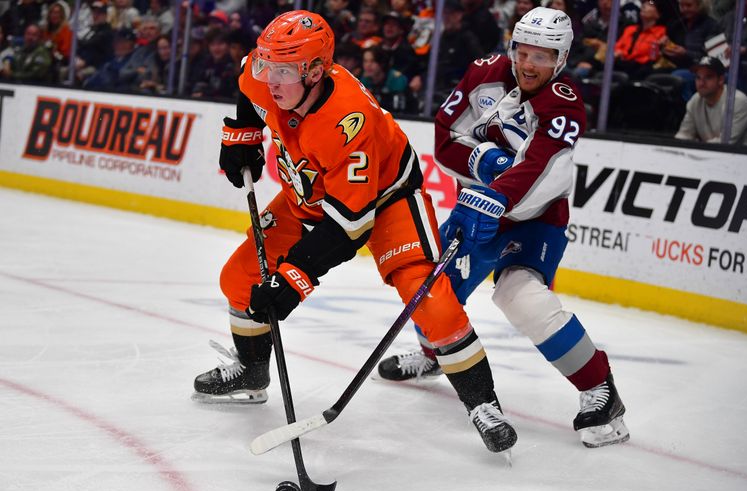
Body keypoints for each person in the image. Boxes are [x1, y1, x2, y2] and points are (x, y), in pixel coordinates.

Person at [191, 11, 517, 454]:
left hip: (384, 201)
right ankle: (252, 374)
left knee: (432, 302)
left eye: (283, 71)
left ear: (315, 70)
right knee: (237, 278)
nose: (271, 81)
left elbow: (349, 225)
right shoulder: (263, 73)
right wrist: (244, 135)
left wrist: (293, 279)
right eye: (268, 65)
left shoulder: (348, 120)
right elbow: (251, 91)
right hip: (306, 194)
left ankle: (483, 404)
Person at [377, 6, 630, 449]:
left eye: (543, 57)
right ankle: (433, 356)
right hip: (475, 209)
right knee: (434, 289)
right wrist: (485, 162)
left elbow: (544, 167)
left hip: (535, 221)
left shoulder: (564, 103)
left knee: (522, 298)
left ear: (562, 59)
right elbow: (444, 137)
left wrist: (496, 194)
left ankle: (600, 392)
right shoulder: (483, 74)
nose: (529, 64)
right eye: (523, 52)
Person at [674, 55, 747, 144]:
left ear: (721, 80)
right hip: (713, 154)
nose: (701, 83)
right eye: (698, 77)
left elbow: (725, 143)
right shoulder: (695, 101)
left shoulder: (737, 102)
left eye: (708, 77)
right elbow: (684, 135)